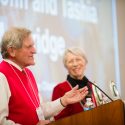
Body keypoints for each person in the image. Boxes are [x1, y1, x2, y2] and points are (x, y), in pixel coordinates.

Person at [0, 27, 88, 125]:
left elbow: (39, 110)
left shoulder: (28, 73)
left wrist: (63, 101)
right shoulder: (1, 74)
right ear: (12, 51)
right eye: (29, 47)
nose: (35, 50)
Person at [52, 47, 98, 120]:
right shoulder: (59, 89)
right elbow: (59, 120)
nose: (75, 64)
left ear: (85, 62)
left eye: (78, 59)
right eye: (70, 61)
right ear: (66, 66)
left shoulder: (94, 87)